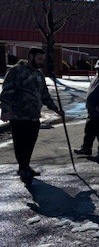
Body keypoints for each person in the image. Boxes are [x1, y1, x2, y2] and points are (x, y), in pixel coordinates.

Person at [0, 47, 64, 181]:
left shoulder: (39, 75)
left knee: (30, 143)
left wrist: (56, 109)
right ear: (30, 56)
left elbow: (45, 96)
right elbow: (6, 92)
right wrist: (4, 111)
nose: (42, 62)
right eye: (39, 59)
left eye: (43, 59)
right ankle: (23, 168)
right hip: (18, 115)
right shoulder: (16, 71)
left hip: (34, 116)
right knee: (20, 143)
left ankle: (26, 166)